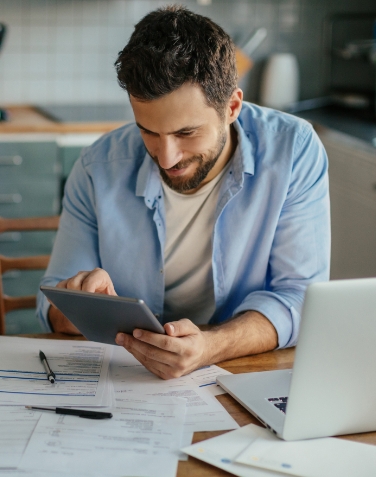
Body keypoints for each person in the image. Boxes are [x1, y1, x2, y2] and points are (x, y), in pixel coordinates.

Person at [37, 5, 330, 380]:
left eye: (185, 133)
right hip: (128, 379)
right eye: (148, 131)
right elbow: (52, 309)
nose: (166, 157)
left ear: (232, 107)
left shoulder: (294, 150)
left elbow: (301, 299)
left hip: (240, 370)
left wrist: (211, 346)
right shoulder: (97, 168)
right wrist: (82, 302)